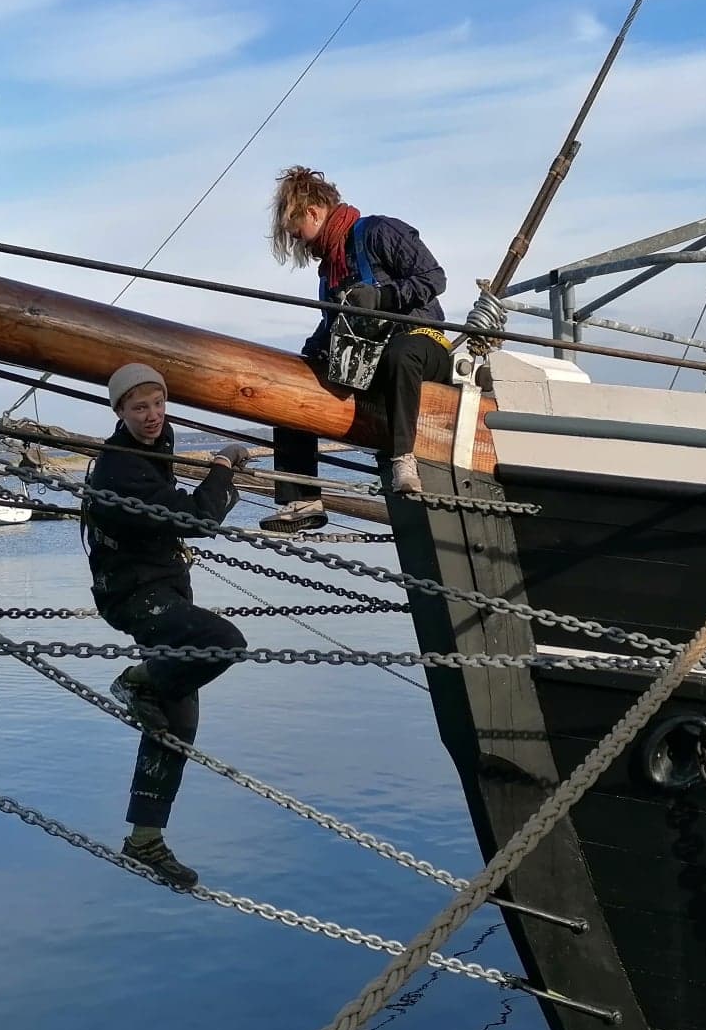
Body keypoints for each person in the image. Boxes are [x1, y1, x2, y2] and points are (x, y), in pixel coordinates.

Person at [83, 361, 251, 889]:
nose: (152, 416)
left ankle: (144, 840)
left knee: (177, 727)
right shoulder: (118, 469)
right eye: (139, 408)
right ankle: (139, 681)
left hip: (165, 586)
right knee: (222, 641)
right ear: (119, 413)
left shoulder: (158, 441)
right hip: (134, 595)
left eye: (157, 404)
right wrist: (223, 466)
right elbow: (198, 519)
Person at [263, 165, 452, 533]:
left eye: (297, 232)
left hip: (424, 344)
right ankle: (301, 496)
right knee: (292, 381)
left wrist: (383, 296)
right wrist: (312, 351)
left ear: (314, 212)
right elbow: (337, 323)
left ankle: (403, 459)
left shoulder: (379, 231)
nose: (300, 242)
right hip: (367, 359)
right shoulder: (329, 270)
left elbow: (434, 278)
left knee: (402, 353)